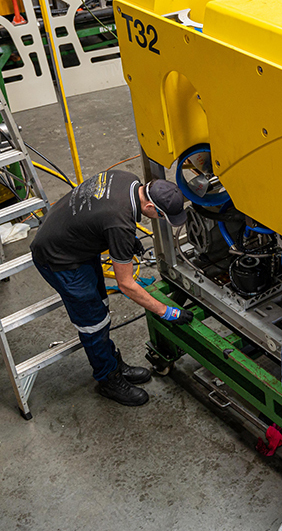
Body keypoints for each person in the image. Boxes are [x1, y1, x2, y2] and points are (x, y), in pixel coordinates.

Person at [30, 171, 194, 407]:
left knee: (102, 308)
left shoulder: (126, 180)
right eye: (160, 215)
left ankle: (112, 363)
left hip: (75, 242)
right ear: (148, 205)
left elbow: (97, 213)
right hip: (60, 260)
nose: (159, 219)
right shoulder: (119, 222)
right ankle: (107, 379)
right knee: (93, 323)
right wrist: (167, 311)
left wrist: (121, 242)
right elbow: (126, 285)